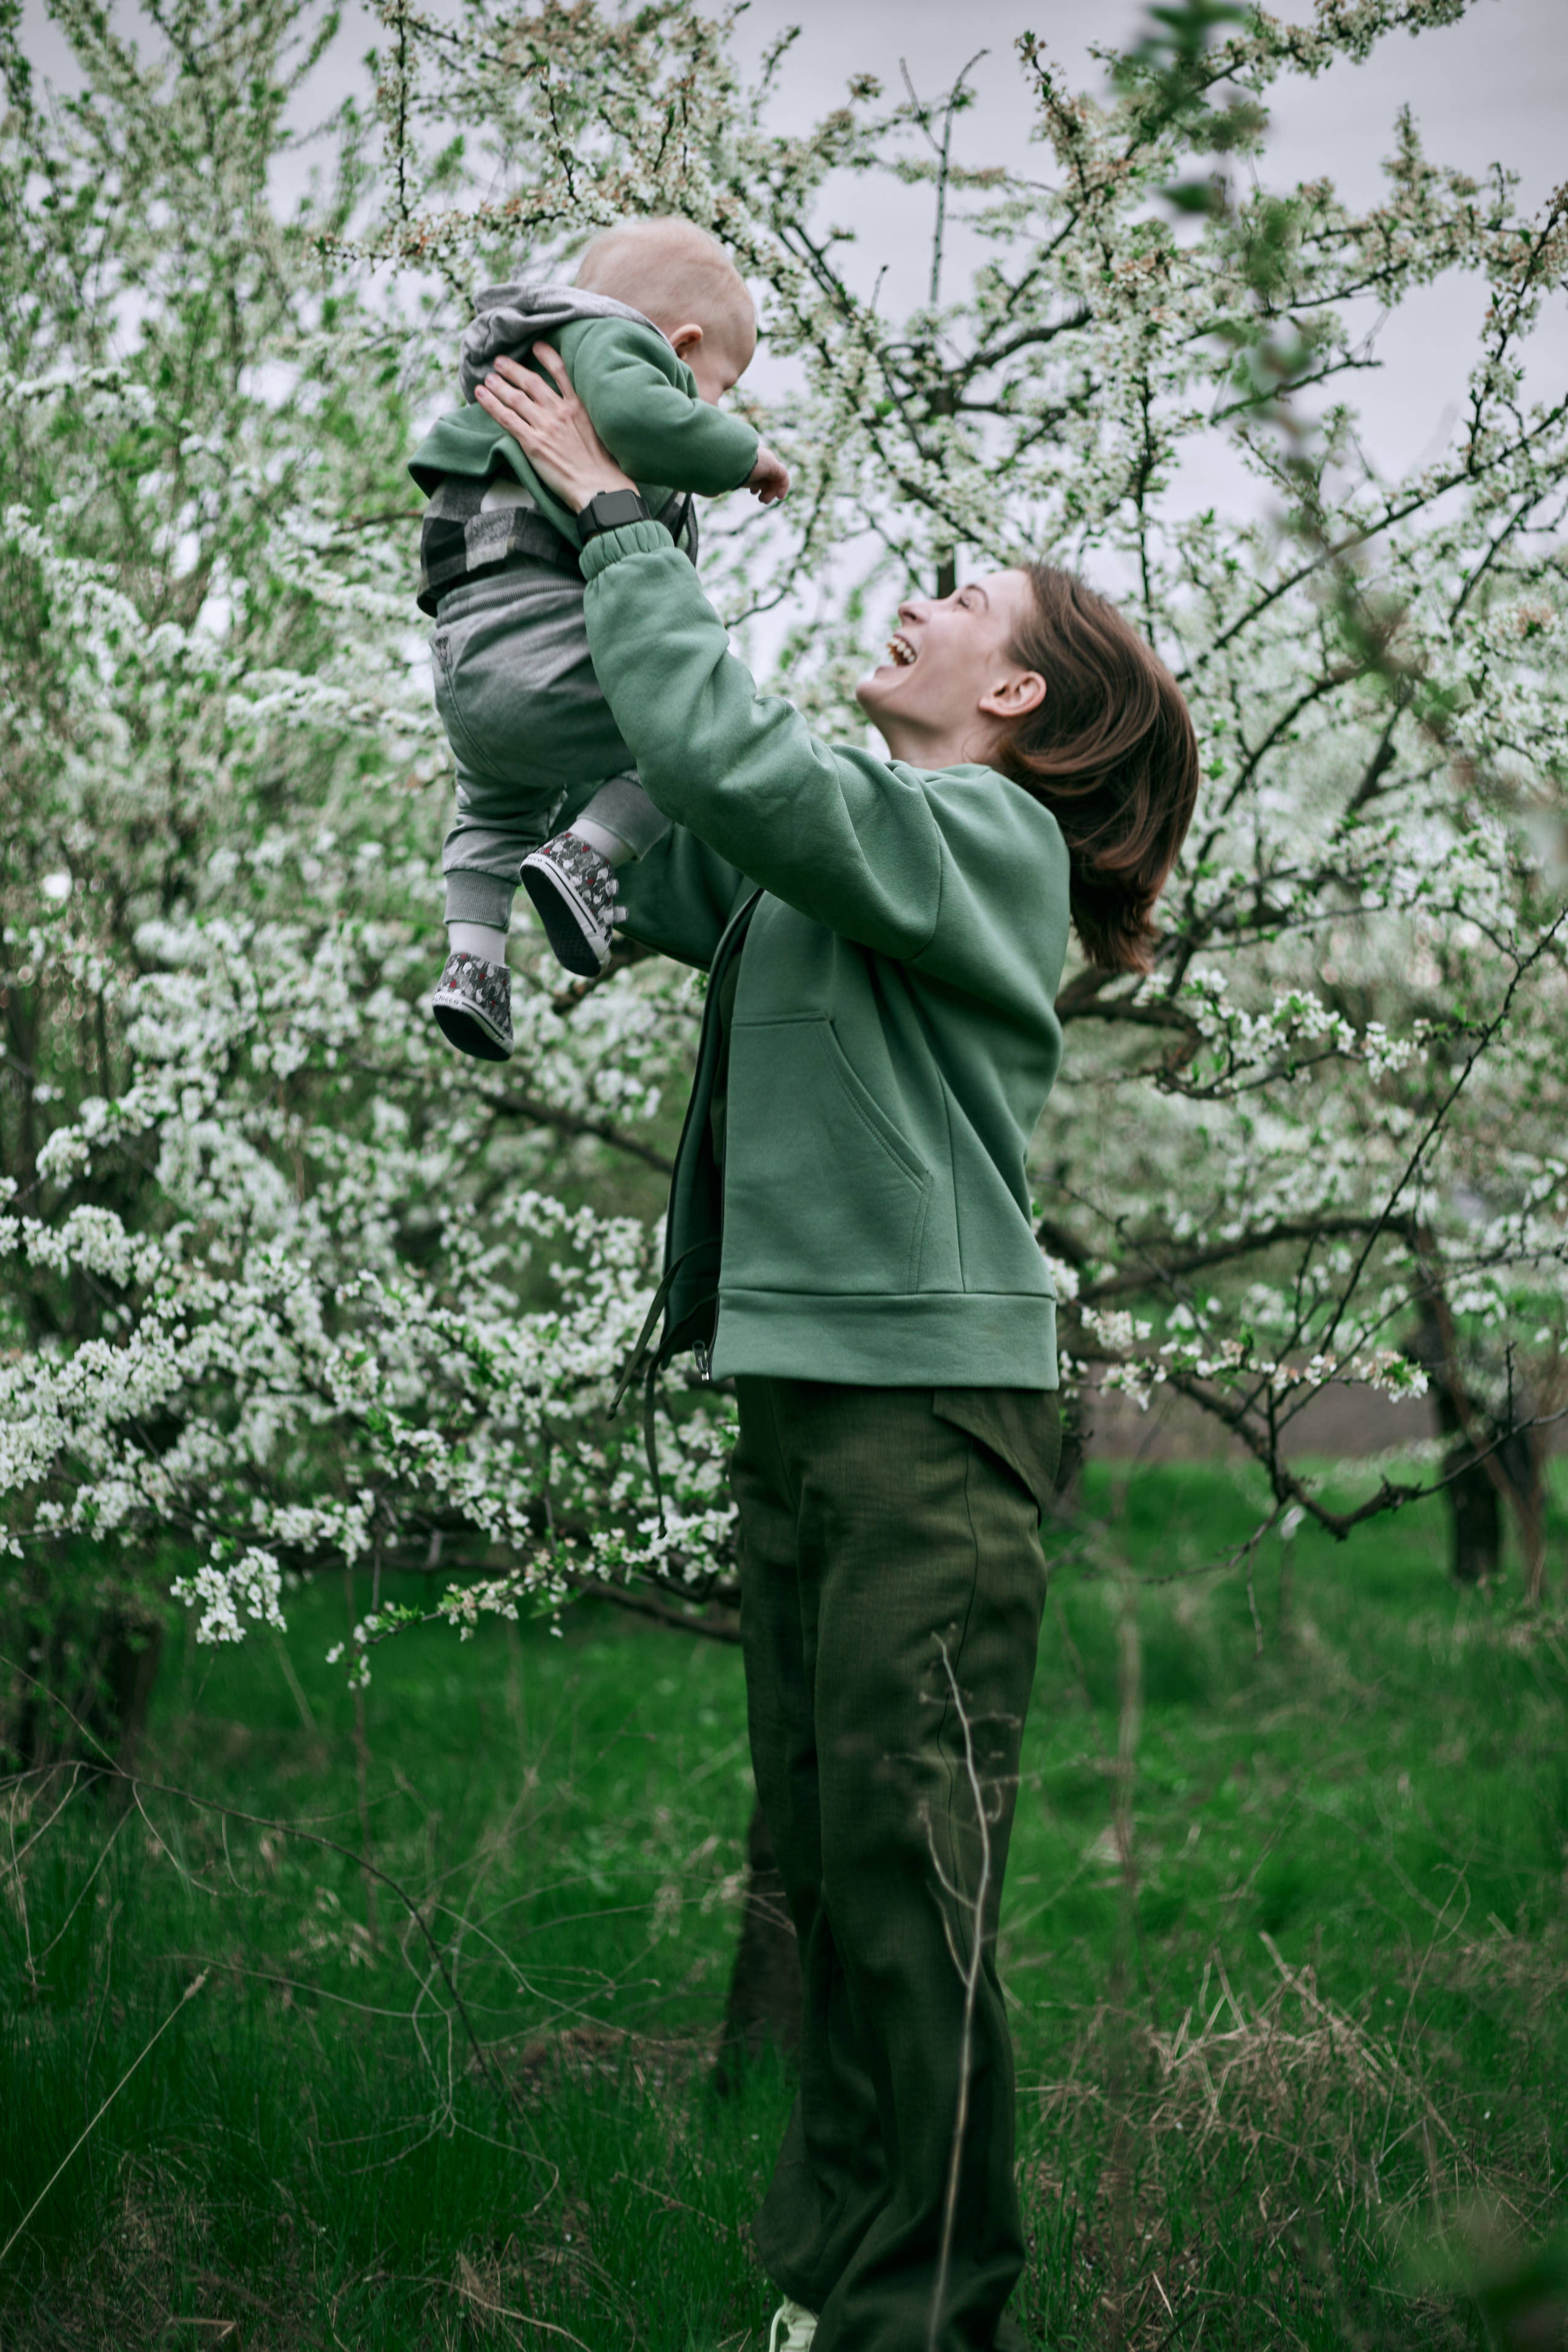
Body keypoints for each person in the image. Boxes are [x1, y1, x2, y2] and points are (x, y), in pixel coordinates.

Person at [474, 344, 1199, 2352]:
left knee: (905, 1874)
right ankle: (838, 2283)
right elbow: (641, 795)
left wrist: (628, 526)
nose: (921, 603)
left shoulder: (983, 851)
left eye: (969, 603)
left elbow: (732, 768)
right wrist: (570, 522)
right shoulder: (855, 851)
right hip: (806, 1398)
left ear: (1022, 696)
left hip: (926, 1421)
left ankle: (928, 2308)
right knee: (828, 1861)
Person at [407, 217, 790, 1057]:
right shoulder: (615, 348)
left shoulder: (537, 364)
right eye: (719, 390)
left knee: (491, 809)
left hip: (468, 664)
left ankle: (473, 966)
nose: (712, 408)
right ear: (682, 349)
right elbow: (646, 420)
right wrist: (743, 453)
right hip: (540, 633)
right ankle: (584, 858)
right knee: (684, 729)